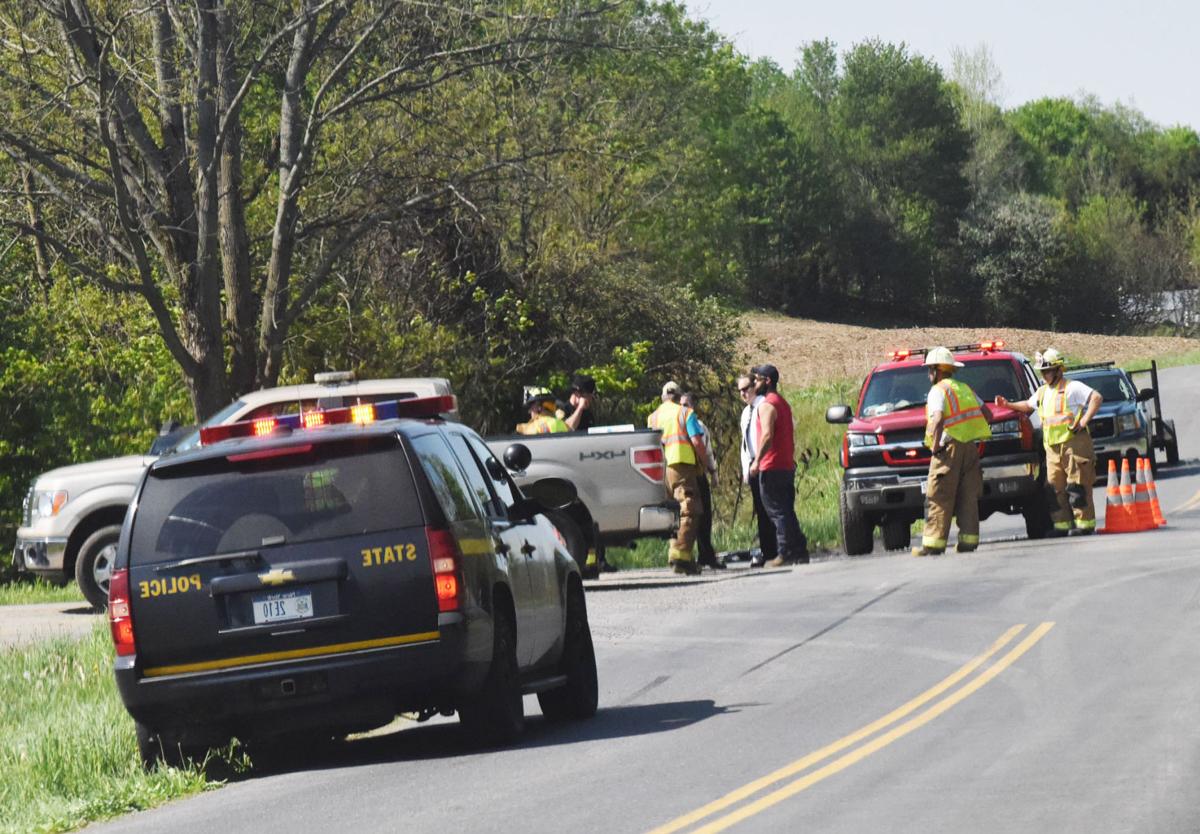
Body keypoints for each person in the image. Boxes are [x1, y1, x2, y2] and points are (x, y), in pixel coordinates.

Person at [995, 348, 1102, 535]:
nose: (1044, 375)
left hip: (1074, 444)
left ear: (1059, 370)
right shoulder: (1043, 392)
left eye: (1047, 371)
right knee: (1053, 488)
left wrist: (1084, 420)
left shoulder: (1072, 387)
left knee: (1077, 486)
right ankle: (1062, 526)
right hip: (1052, 449)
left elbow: (1096, 398)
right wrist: (1007, 405)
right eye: (1042, 372)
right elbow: (1028, 405)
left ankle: (1085, 525)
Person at [913, 347, 993, 556]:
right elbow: (988, 414)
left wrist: (936, 445)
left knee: (939, 494)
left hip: (948, 449)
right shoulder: (965, 388)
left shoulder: (937, 391)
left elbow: (938, 418)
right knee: (968, 495)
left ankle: (933, 544)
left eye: (930, 370)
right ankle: (968, 541)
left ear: (937, 371)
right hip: (970, 448)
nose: (928, 374)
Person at [648, 381, 712, 575]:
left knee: (673, 513)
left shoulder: (653, 417)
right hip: (681, 467)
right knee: (690, 509)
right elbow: (696, 441)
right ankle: (680, 555)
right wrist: (705, 463)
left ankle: (682, 554)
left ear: (663, 397)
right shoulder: (685, 413)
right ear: (678, 397)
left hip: (660, 470)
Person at [747, 364, 808, 567]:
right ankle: (799, 550)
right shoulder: (782, 403)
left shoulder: (767, 405)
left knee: (777, 511)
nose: (753, 383)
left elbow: (766, 435)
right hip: (785, 465)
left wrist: (757, 461)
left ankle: (785, 552)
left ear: (767, 381)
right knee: (786, 510)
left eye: (756, 379)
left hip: (771, 466)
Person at [680, 392, 724, 570]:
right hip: (686, 474)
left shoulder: (698, 425)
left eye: (686, 405)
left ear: (692, 406)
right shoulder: (679, 426)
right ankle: (693, 555)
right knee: (691, 515)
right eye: (681, 404)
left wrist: (713, 473)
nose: (683, 408)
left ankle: (706, 554)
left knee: (705, 516)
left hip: (699, 473)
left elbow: (706, 449)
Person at [737, 374, 776, 563]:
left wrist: (759, 461)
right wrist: (746, 468)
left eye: (746, 388)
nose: (744, 393)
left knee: (769, 509)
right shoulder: (746, 413)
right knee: (760, 511)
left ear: (755, 386)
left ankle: (775, 550)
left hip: (764, 462)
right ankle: (767, 551)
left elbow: (767, 436)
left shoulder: (763, 405)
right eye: (740, 391)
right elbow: (745, 443)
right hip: (752, 464)